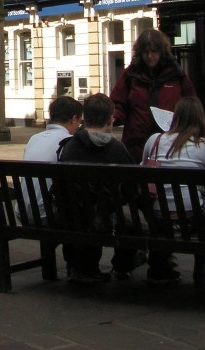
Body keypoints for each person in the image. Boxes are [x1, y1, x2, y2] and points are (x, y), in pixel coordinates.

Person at [58, 93, 141, 284]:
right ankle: (123, 264)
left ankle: (81, 266)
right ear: (110, 119)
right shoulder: (117, 149)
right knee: (129, 216)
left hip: (76, 215)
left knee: (80, 211)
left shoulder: (70, 147)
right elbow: (132, 186)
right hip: (107, 217)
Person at [141, 96, 205, 286]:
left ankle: (160, 269)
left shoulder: (155, 140)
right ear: (201, 118)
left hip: (158, 215)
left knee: (164, 204)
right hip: (193, 217)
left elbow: (142, 169)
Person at [111, 28, 196, 163]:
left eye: (154, 51)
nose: (150, 56)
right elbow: (118, 103)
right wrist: (111, 119)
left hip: (169, 143)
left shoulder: (176, 74)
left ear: (162, 52)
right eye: (146, 52)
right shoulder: (131, 75)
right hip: (136, 144)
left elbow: (191, 104)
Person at [21, 95, 83, 217]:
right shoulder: (69, 142)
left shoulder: (34, 139)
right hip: (46, 214)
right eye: (79, 122)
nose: (78, 127)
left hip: (22, 212)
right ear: (74, 119)